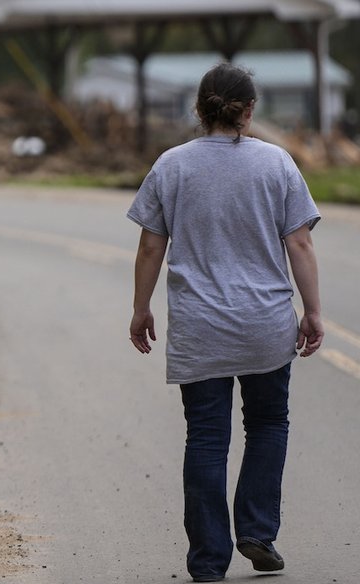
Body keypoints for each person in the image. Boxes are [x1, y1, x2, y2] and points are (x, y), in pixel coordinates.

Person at [126, 62, 323, 583]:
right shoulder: (277, 164)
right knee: (267, 425)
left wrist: (141, 307)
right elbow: (299, 242)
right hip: (265, 325)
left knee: (206, 438)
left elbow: (151, 244)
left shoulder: (171, 166)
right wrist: (314, 311)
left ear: (199, 108)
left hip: (200, 328)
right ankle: (257, 530)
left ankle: (209, 560)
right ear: (250, 109)